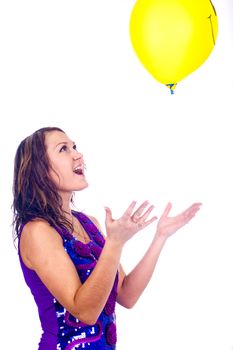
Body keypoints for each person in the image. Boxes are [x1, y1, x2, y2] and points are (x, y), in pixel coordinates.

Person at [12, 126, 201, 350]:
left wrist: (160, 237)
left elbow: (127, 295)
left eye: (75, 146)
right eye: (63, 149)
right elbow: (85, 312)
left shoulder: (89, 223)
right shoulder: (37, 231)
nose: (77, 154)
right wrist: (115, 243)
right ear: (40, 170)